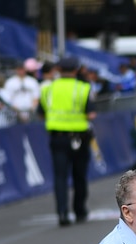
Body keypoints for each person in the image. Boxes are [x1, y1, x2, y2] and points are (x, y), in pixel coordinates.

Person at [38, 56, 96, 226]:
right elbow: (91, 114)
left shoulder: (48, 89)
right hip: (79, 137)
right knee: (79, 175)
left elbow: (41, 112)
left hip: (57, 137)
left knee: (60, 176)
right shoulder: (83, 88)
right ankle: (79, 210)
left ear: (58, 69)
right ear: (76, 70)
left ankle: (62, 213)